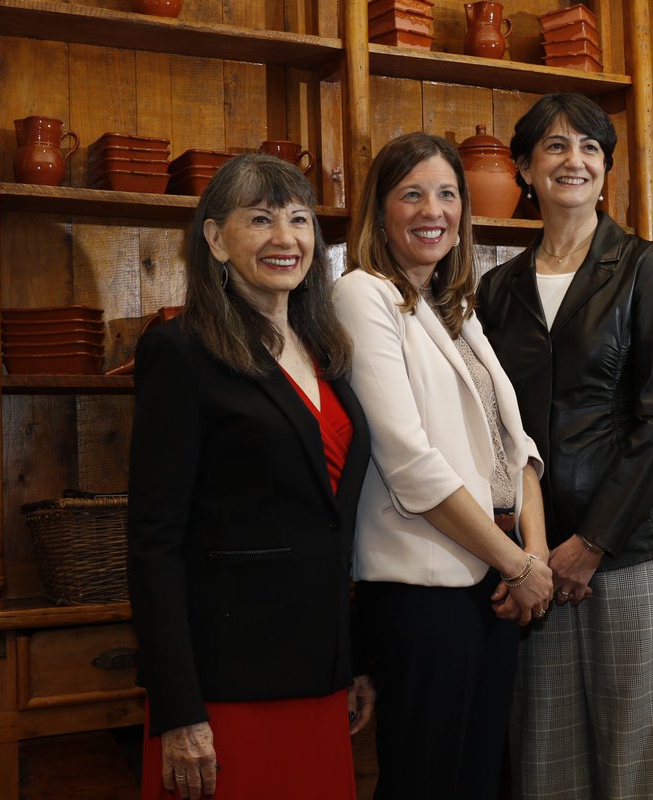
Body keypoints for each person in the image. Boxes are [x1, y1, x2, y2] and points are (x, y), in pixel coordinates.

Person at [127, 153, 375, 800]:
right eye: (260, 219)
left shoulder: (326, 350)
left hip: (319, 672)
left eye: (298, 219)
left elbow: (331, 524)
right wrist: (179, 708)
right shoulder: (180, 352)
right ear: (215, 238)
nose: (285, 238)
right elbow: (154, 541)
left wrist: (350, 661)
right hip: (225, 687)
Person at [476, 92, 653, 800]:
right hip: (531, 554)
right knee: (543, 760)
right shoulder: (496, 288)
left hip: (628, 548)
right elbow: (497, 430)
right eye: (556, 146)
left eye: (591, 148)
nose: (576, 160)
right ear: (523, 169)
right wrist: (530, 551)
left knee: (636, 759)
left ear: (607, 170)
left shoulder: (644, 266)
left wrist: (592, 541)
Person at [332, 132, 553, 800]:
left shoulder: (457, 309)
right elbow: (409, 463)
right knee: (425, 782)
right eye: (413, 193)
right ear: (381, 208)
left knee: (478, 780)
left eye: (448, 193)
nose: (435, 209)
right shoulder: (362, 294)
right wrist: (516, 565)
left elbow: (517, 449)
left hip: (493, 581)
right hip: (421, 594)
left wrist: (531, 556)